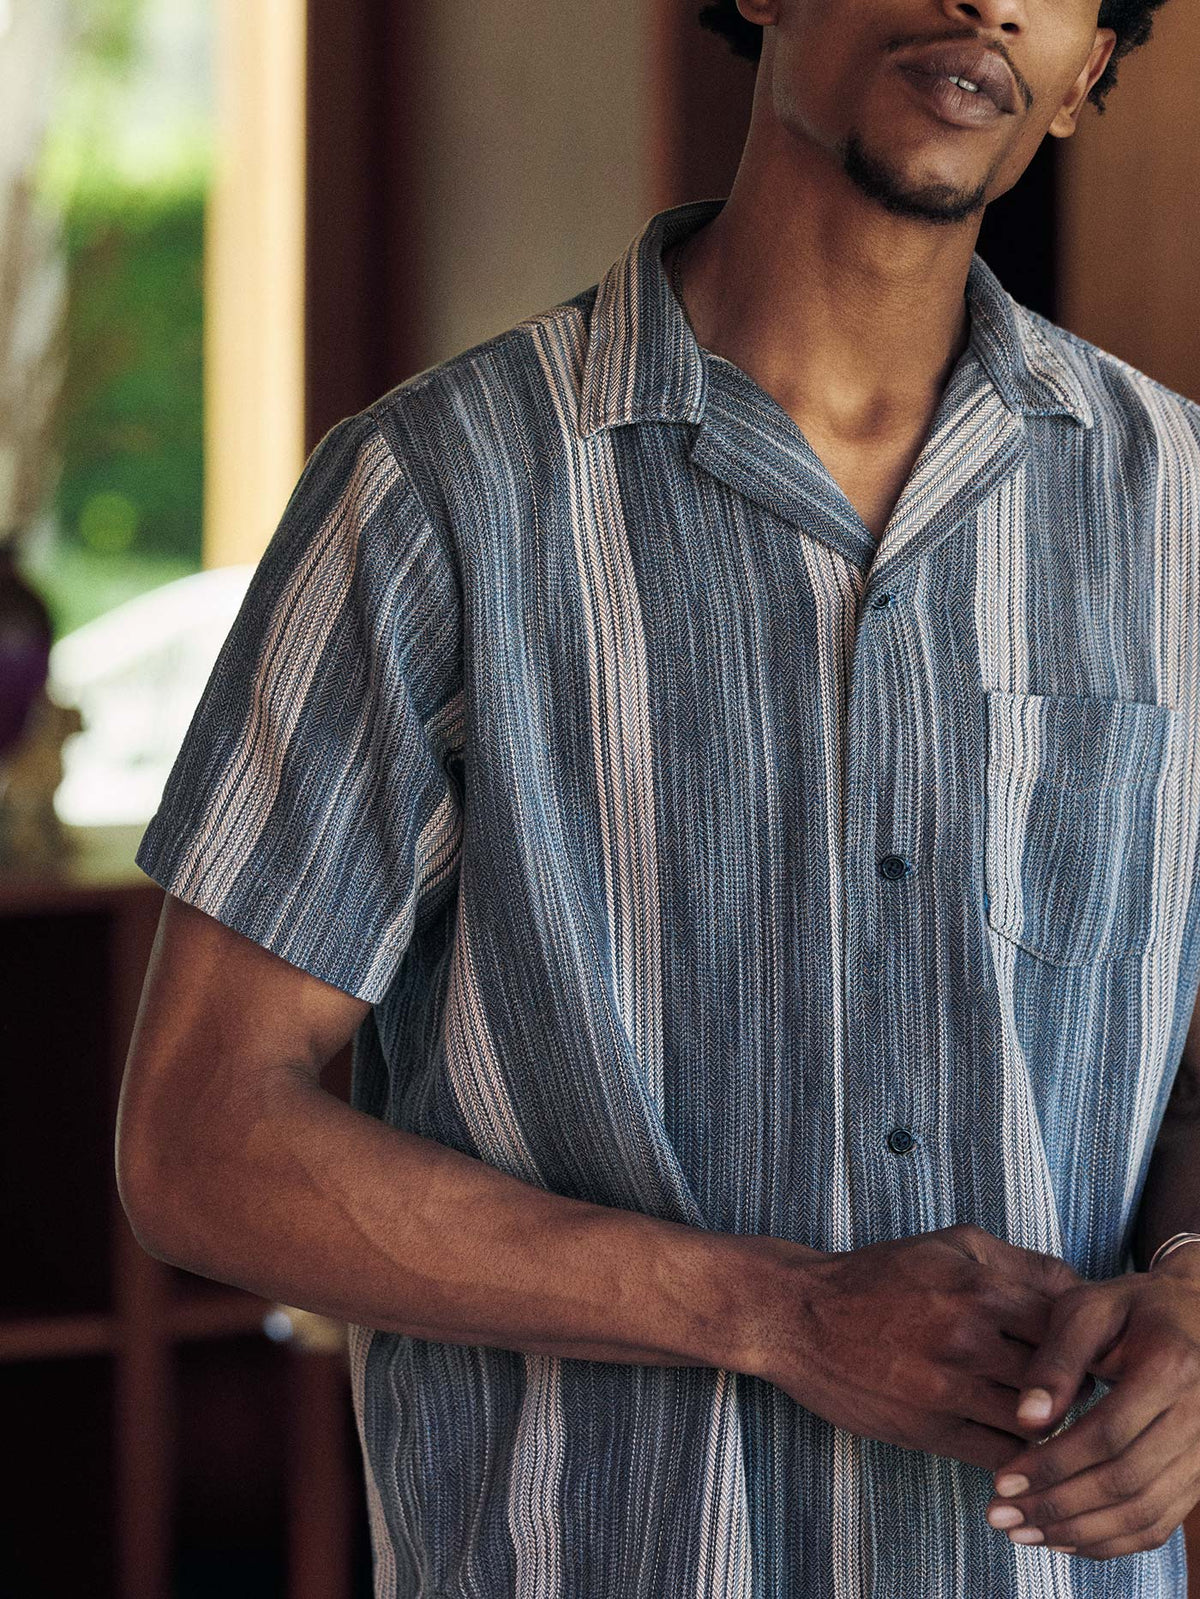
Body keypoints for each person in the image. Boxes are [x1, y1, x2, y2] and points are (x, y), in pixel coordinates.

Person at [115, 0, 1200, 1592]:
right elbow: (201, 1138)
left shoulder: (1179, 518)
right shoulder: (437, 493)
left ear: (1088, 69)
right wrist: (774, 1314)